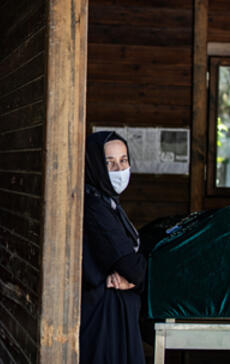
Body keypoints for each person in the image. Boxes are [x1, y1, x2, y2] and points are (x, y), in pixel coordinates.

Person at [80, 131, 146, 364]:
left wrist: (133, 277)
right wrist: (136, 276)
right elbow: (131, 266)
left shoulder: (108, 202)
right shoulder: (95, 205)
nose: (119, 170)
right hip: (103, 321)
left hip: (112, 317)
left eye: (123, 161)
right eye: (109, 163)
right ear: (95, 165)